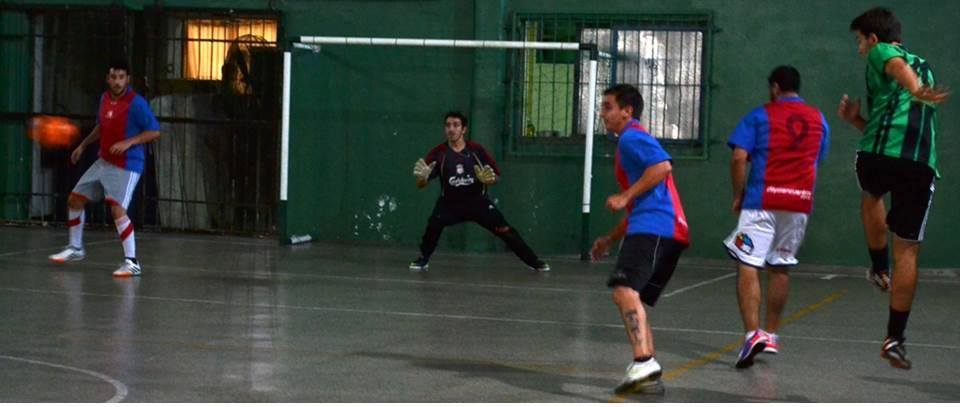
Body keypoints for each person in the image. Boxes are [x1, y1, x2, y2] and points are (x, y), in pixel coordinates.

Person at [838, 7, 949, 370]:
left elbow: (898, 68)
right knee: (909, 251)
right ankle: (895, 338)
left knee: (872, 191)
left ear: (874, 38)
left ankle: (877, 267)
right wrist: (856, 119)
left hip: (879, 155)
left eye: (860, 41)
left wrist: (916, 90)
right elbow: (887, 120)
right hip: (919, 163)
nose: (860, 49)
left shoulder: (883, 52)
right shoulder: (925, 65)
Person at [723, 66, 830, 368]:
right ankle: (770, 335)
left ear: (775, 87)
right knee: (781, 265)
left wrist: (738, 193)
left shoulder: (760, 115)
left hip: (762, 201)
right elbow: (817, 157)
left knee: (748, 262)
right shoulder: (819, 119)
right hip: (799, 203)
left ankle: (751, 335)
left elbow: (738, 157)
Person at [590, 84, 690, 394]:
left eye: (608, 107)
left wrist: (624, 195)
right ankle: (650, 377)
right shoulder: (631, 141)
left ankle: (644, 361)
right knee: (635, 298)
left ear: (627, 111)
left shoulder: (631, 137)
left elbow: (662, 166)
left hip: (655, 226)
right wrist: (610, 238)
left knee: (623, 291)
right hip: (663, 229)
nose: (602, 113)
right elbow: (640, 204)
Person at [48, 59, 161, 277]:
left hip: (127, 164)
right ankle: (75, 247)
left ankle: (132, 262)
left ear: (128, 79)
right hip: (104, 161)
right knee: (74, 199)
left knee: (117, 209)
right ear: (107, 79)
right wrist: (83, 145)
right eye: (113, 77)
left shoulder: (136, 103)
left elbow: (154, 131)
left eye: (121, 77)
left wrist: (129, 142)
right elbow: (101, 127)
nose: (117, 81)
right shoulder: (105, 99)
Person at [409, 111, 550, 273]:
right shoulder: (438, 153)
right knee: (433, 226)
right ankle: (423, 258)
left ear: (464, 129)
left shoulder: (477, 150)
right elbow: (421, 184)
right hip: (449, 203)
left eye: (456, 125)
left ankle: (533, 261)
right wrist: (422, 178)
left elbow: (496, 176)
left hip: (478, 202)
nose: (451, 129)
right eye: (448, 125)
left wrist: (488, 180)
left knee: (506, 231)